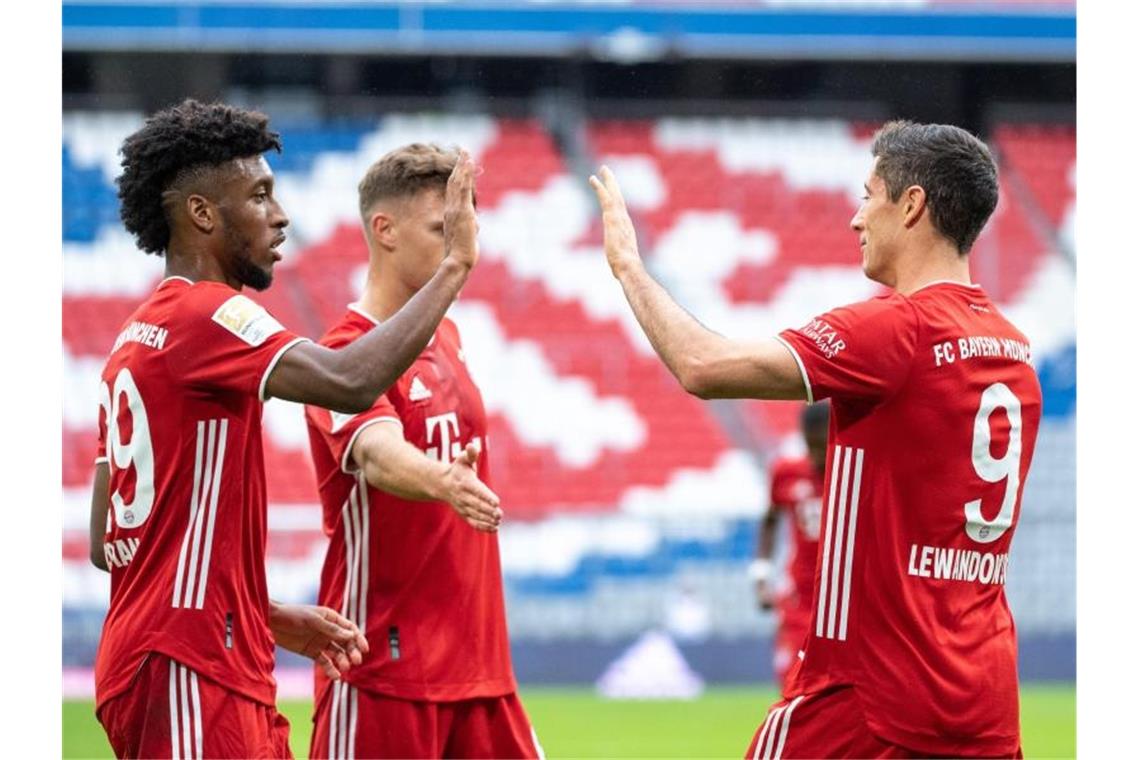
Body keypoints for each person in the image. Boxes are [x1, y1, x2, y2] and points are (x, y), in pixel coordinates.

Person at [590, 120, 1041, 758]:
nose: (857, 219)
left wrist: (628, 268)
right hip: (983, 699)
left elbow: (701, 365)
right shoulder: (1015, 352)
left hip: (868, 694)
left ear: (910, 206)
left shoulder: (896, 328)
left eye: (868, 194)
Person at [87, 100, 480, 759]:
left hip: (195, 653)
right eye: (260, 195)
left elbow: (107, 541)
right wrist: (454, 267)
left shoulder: (134, 338)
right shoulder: (206, 313)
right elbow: (350, 381)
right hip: (187, 661)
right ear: (203, 214)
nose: (281, 214)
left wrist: (260, 614)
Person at [304, 143, 542, 759]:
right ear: (383, 230)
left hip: (483, 671)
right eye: (442, 228)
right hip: (383, 670)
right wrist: (442, 480)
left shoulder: (450, 337)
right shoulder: (340, 356)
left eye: (465, 228)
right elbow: (378, 452)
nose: (463, 244)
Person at [752, 402, 829, 691]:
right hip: (800, 597)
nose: (818, 456)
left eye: (824, 447)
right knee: (793, 685)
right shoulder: (787, 472)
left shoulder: (857, 471)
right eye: (813, 448)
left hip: (846, 601)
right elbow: (770, 520)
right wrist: (761, 575)